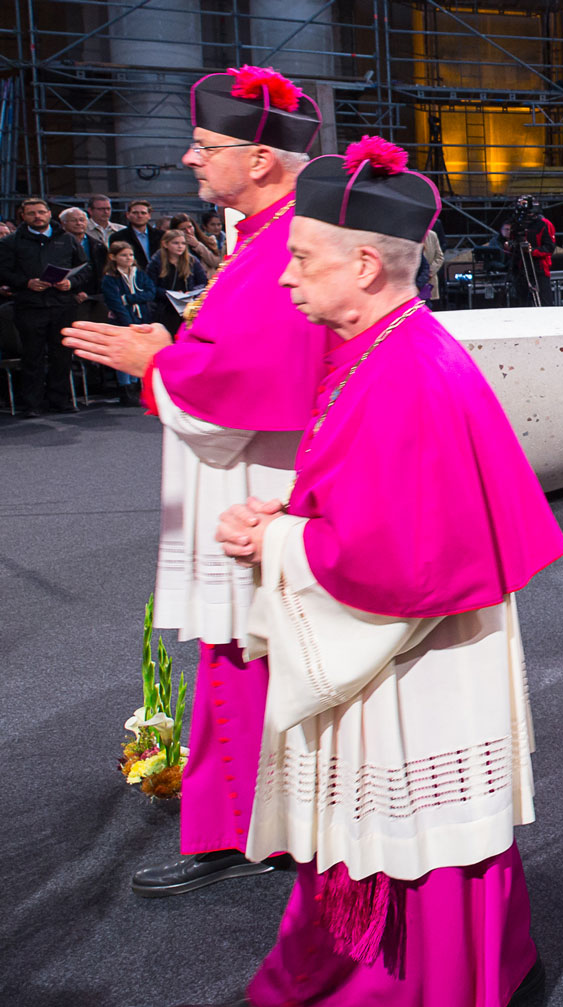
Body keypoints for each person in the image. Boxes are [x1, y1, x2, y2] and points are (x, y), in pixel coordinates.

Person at [160, 136, 563, 1007]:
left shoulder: (405, 370)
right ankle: (364, 978)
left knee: (403, 828)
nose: (287, 280)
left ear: (367, 264)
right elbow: (373, 503)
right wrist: (293, 512)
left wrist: (277, 542)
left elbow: (400, 561)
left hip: (411, 643)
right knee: (419, 833)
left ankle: (374, 991)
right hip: (422, 636)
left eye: (302, 260)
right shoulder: (381, 343)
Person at [65, 65, 333, 896]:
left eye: (205, 145)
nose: (187, 158)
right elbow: (234, 352)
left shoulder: (294, 242)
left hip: (259, 478)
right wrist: (176, 344)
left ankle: (260, 829)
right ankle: (237, 822)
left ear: (260, 159)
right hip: (236, 477)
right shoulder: (259, 238)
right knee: (233, 651)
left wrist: (161, 362)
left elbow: (258, 384)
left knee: (254, 651)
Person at [0, 196, 92, 415]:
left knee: (62, 354)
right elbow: (3, 271)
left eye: (41, 212)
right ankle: (32, 404)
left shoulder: (67, 239)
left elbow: (85, 268)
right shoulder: (11, 242)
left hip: (62, 304)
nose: (37, 216)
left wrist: (71, 283)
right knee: (33, 356)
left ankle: (59, 400)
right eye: (31, 213)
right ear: (23, 216)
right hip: (30, 305)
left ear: (49, 214)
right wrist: (26, 283)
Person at [100, 241, 158, 406]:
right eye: (124, 255)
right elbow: (115, 303)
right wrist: (128, 323)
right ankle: (126, 388)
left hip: (142, 319)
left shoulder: (138, 273)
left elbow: (150, 293)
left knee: (139, 353)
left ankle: (138, 386)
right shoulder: (110, 279)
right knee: (124, 355)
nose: (128, 258)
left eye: (130, 255)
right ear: (113, 257)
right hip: (123, 321)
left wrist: (128, 299)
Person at [148, 229, 209, 336]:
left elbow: (203, 282)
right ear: (165, 244)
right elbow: (151, 287)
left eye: (183, 243)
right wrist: (169, 293)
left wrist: (191, 292)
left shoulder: (192, 261)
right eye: (175, 243)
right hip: (165, 309)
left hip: (188, 307)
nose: (180, 246)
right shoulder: (156, 263)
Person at [503, 194, 555, 306]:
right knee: (521, 302)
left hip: (539, 269)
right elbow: (513, 241)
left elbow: (549, 248)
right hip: (520, 268)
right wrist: (510, 246)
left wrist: (532, 251)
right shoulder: (517, 224)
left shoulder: (544, 224)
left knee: (545, 302)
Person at [111, 200, 164, 267]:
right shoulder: (118, 237)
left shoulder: (161, 236)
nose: (139, 216)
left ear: (149, 215)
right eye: (135, 213)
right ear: (128, 215)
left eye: (143, 213)